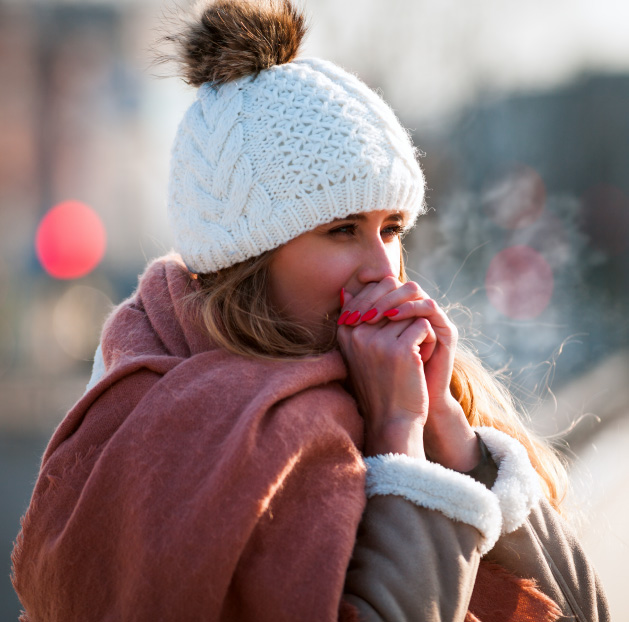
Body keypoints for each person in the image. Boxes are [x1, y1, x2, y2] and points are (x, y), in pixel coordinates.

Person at [12, 1, 609, 620]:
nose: (383, 267)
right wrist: (397, 442)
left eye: (393, 227)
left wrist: (454, 439)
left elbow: (584, 609)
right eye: (344, 229)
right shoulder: (170, 421)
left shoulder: (419, 386)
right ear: (249, 261)